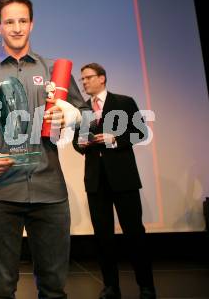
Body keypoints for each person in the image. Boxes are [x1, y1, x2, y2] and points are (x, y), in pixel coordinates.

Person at [0, 0, 88, 299]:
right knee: (2, 288)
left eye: (22, 20)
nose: (16, 27)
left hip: (49, 191)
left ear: (32, 24)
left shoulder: (55, 70)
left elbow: (86, 120)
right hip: (0, 193)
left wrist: (74, 116)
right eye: (9, 21)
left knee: (53, 288)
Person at [73, 63, 156, 299]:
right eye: (82, 79)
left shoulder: (123, 102)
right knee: (103, 236)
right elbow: (76, 143)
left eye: (88, 78)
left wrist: (114, 138)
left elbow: (140, 133)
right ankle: (110, 286)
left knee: (134, 234)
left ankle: (146, 286)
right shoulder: (82, 110)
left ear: (102, 78)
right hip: (96, 181)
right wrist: (81, 144)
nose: (85, 82)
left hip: (124, 179)